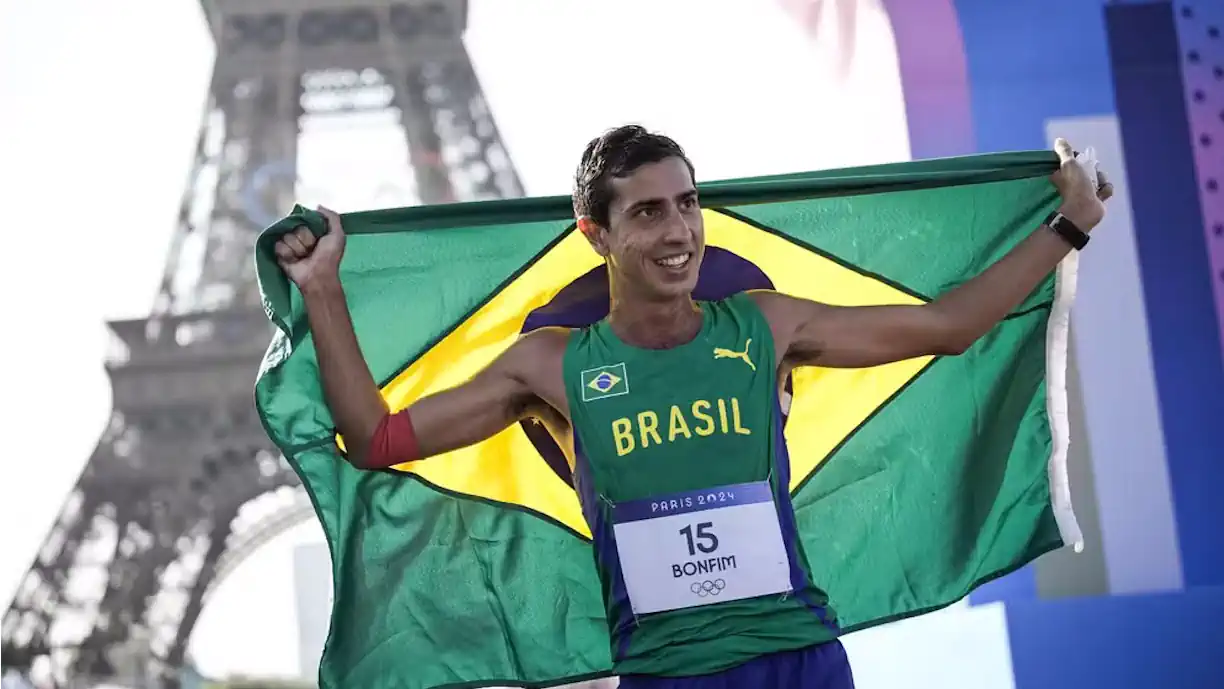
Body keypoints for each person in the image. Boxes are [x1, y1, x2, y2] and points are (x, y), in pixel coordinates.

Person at [273, 125, 1113, 689]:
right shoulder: (552, 366)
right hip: (668, 670)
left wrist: (1069, 226)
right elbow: (375, 438)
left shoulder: (766, 326)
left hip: (798, 656)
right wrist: (323, 293)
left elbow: (951, 326)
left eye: (687, 203)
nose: (679, 231)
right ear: (593, 233)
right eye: (647, 212)